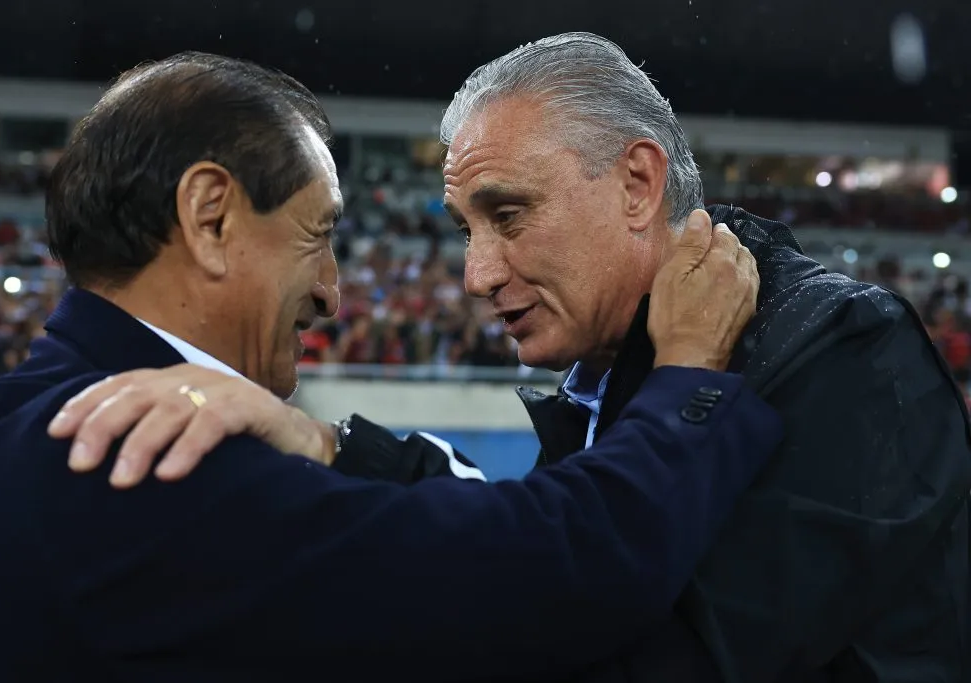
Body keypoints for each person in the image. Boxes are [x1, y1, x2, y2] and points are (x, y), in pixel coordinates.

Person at [69, 34, 971, 682]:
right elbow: (538, 547)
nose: (475, 273)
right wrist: (330, 445)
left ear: (636, 183)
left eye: (507, 216)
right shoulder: (630, 361)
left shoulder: (845, 351)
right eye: (467, 229)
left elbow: (613, 646)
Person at [0, 52, 783, 683]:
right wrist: (685, 377)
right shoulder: (143, 454)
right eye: (316, 237)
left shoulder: (35, 408)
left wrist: (322, 442)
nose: (332, 294)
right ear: (210, 217)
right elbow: (558, 573)